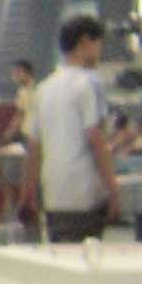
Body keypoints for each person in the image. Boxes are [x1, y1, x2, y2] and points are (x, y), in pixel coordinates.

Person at [26, 14, 119, 242]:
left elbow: (34, 147)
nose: (99, 51)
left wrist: (28, 192)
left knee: (63, 257)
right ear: (85, 42)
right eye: (98, 44)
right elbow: (96, 140)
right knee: (87, 258)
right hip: (85, 195)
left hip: (54, 196)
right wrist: (113, 191)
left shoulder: (43, 88)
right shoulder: (88, 82)